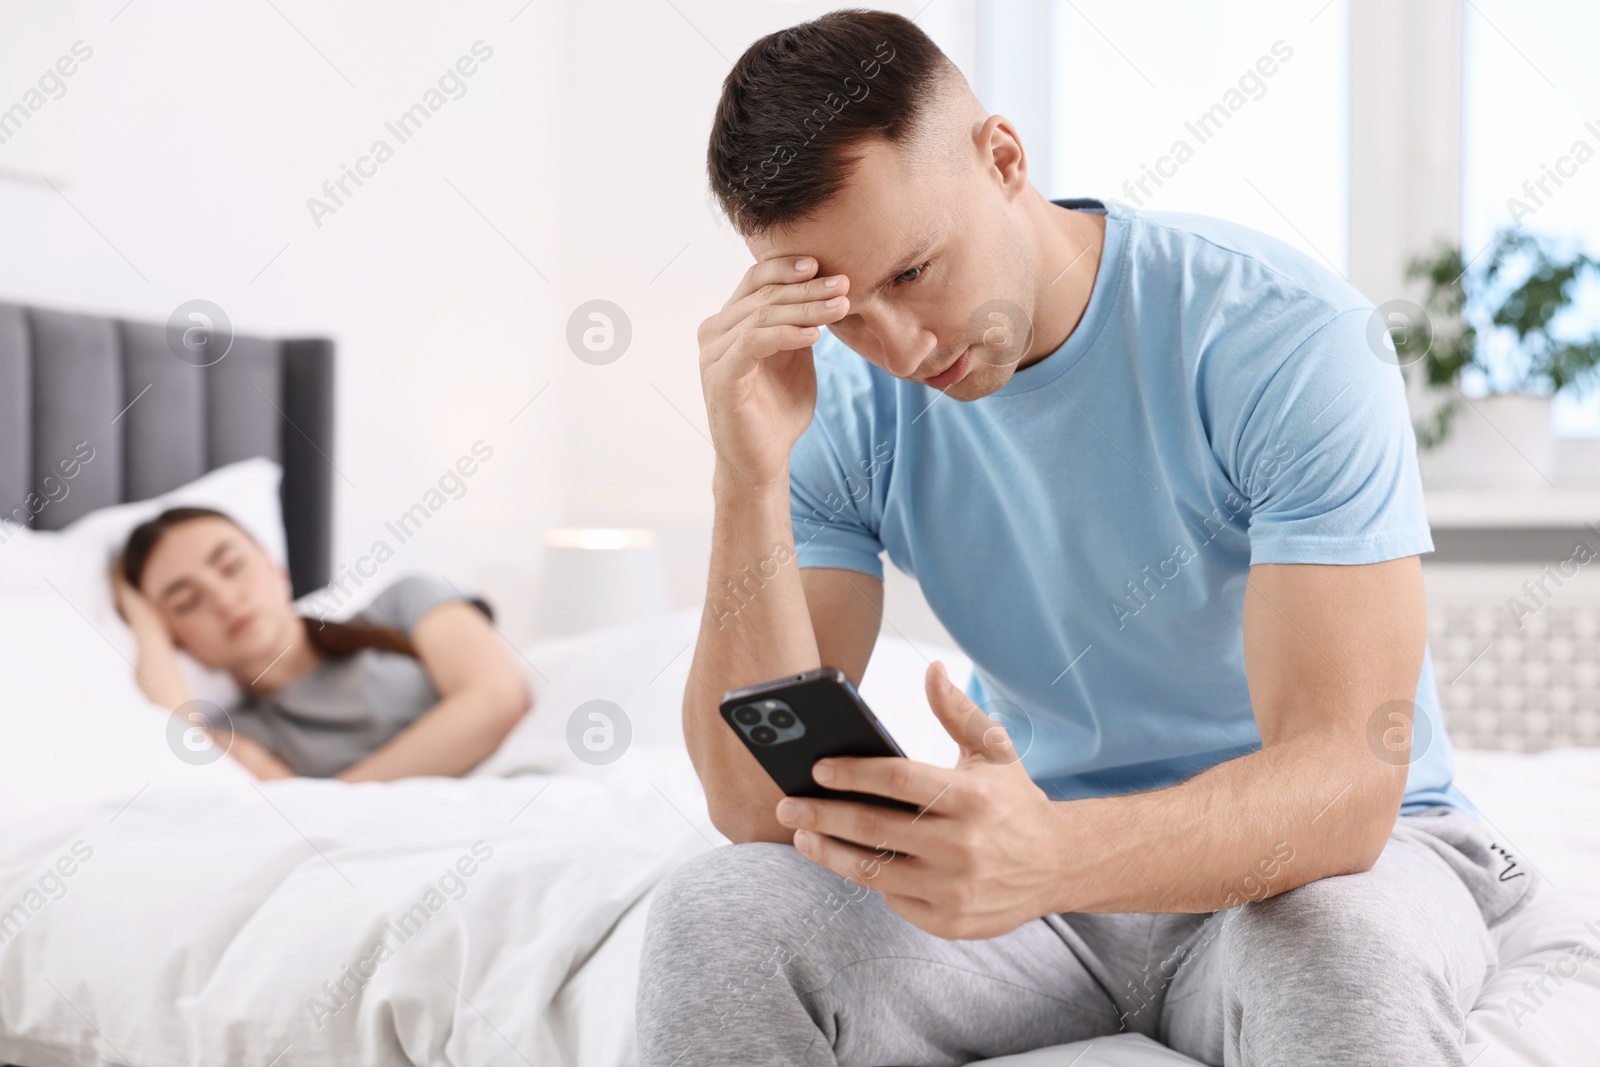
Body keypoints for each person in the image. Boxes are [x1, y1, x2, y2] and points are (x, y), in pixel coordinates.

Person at [637, 10, 1536, 1067]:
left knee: (1333, 950)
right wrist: (747, 477)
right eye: (839, 306)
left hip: (1306, 865)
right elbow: (752, 802)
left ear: (1004, 158)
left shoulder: (1283, 339)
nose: (897, 344)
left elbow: (1345, 786)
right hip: (1045, 906)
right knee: (719, 911)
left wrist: (1050, 854)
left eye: (913, 272)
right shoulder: (836, 401)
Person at [113, 506, 531, 781]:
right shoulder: (246, 736)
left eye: (231, 566)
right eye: (187, 603)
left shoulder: (404, 603)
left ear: (276, 567)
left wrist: (340, 794)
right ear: (177, 638)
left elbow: (497, 701)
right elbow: (174, 735)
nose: (223, 599)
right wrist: (145, 624)